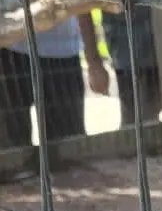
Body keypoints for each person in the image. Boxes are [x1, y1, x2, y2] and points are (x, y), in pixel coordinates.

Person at [0, 16, 106, 177]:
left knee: (68, 156)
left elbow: (83, 3)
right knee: (12, 160)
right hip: (11, 49)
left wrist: (94, 61)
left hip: (62, 52)